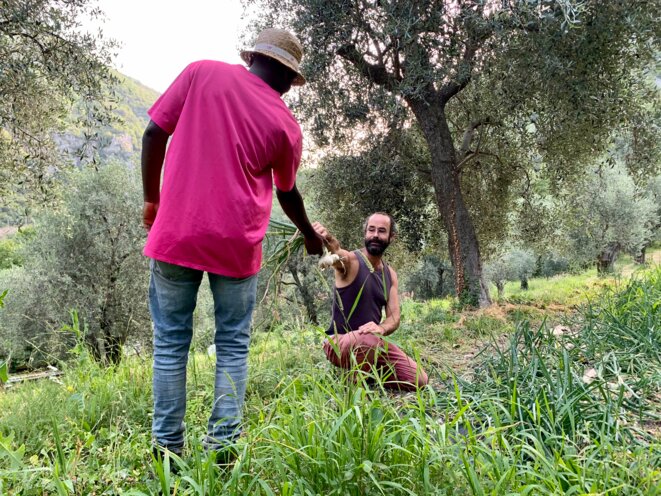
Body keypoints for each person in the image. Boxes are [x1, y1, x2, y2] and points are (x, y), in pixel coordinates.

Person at [141, 28, 323, 461]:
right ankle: (222, 450)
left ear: (256, 58)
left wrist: (152, 199)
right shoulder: (285, 125)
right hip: (237, 248)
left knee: (170, 343)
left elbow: (153, 134)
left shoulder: (201, 72)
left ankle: (167, 452)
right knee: (232, 345)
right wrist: (311, 235)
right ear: (286, 75)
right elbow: (287, 192)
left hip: (177, 234)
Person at [313, 213, 428, 391]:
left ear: (391, 237)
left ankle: (367, 371)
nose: (375, 235)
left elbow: (394, 318)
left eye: (382, 231)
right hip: (338, 343)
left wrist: (380, 328)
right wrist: (327, 239)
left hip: (373, 343)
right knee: (367, 340)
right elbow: (336, 253)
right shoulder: (351, 261)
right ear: (365, 233)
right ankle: (354, 390)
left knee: (419, 379)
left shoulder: (390, 274)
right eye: (371, 230)